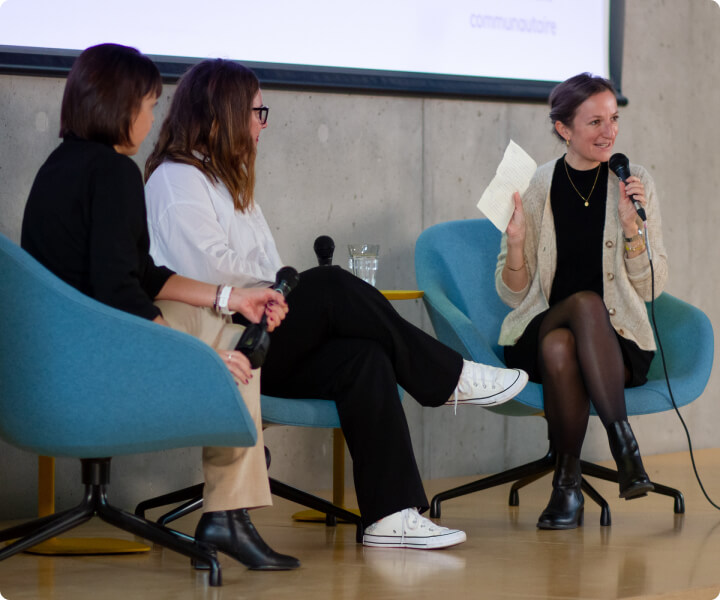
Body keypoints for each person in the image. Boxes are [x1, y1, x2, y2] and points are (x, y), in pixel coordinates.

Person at [143, 58, 529, 549]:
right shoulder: (177, 180)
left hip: (257, 338)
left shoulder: (231, 183)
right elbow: (211, 275)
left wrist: (281, 291)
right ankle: (449, 375)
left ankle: (390, 515)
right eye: (256, 111)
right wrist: (282, 292)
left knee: (361, 358)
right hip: (219, 347)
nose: (262, 124)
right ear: (222, 114)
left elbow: (267, 268)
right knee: (329, 286)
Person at [20, 43, 301, 571]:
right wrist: (192, 355)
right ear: (120, 106)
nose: (153, 121)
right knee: (229, 340)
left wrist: (232, 296)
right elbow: (119, 290)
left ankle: (230, 514)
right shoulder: (113, 172)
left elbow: (142, 275)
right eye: (149, 106)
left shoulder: (58, 168)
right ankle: (229, 513)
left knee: (228, 319)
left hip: (48, 364)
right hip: (96, 363)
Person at [495, 73, 668, 529]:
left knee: (563, 348)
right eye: (594, 122)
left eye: (614, 119)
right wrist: (515, 245)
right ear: (563, 129)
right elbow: (512, 291)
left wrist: (634, 231)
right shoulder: (537, 184)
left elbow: (653, 289)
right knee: (578, 310)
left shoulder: (634, 181)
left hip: (615, 344)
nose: (609, 132)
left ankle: (565, 487)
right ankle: (625, 448)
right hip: (541, 325)